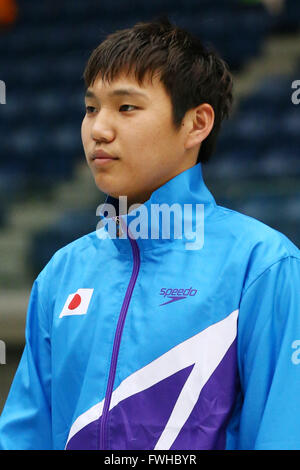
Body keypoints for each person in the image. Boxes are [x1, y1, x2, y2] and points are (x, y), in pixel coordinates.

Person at [0, 16, 299, 451]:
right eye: (90, 108)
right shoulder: (61, 274)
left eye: (126, 107)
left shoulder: (264, 266)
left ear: (197, 124)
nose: (98, 129)